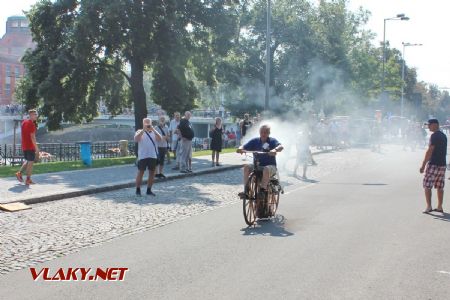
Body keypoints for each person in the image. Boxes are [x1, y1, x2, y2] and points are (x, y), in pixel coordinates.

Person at [237, 124, 283, 198]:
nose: (263, 134)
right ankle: (247, 190)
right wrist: (240, 148)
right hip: (257, 166)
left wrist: (275, 150)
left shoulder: (272, 141)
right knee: (246, 167)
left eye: (266, 132)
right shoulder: (255, 141)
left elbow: (280, 146)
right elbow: (244, 146)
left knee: (266, 169)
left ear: (269, 133)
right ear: (259, 132)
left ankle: (263, 191)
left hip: (270, 166)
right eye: (262, 132)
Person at [420, 119, 447, 213]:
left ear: (435, 125)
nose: (428, 126)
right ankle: (439, 206)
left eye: (430, 125)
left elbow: (430, 151)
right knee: (440, 186)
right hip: (442, 164)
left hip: (433, 164)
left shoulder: (434, 136)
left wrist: (423, 165)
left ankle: (429, 206)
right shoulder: (444, 136)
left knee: (427, 185)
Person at [134, 118, 162, 196]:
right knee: (141, 172)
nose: (147, 124)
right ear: (143, 124)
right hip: (143, 156)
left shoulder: (154, 132)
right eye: (145, 123)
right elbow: (136, 139)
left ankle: (149, 190)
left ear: (151, 123)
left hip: (152, 155)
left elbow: (160, 139)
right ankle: (138, 190)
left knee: (152, 173)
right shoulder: (139, 131)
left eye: (148, 123)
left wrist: (153, 129)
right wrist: (143, 130)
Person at [16, 109, 39, 185]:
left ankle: (19, 173)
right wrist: (36, 148)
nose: (36, 116)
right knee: (30, 163)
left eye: (36, 114)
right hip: (30, 146)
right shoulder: (31, 124)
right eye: (35, 114)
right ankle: (28, 179)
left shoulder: (24, 122)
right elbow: (32, 137)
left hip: (25, 146)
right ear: (31, 115)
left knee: (28, 161)